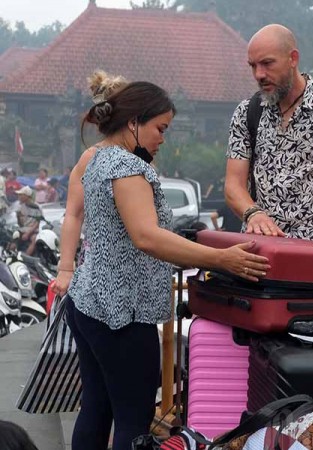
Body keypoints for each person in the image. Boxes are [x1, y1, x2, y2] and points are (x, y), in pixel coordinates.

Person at [65, 81, 270, 450]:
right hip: (120, 312)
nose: (163, 138)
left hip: (88, 301)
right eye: (160, 128)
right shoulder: (127, 167)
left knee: (96, 407)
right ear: (133, 123)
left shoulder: (97, 158)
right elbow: (148, 237)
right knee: (133, 418)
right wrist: (222, 258)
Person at [224, 24, 313, 243]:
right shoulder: (247, 112)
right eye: (253, 66)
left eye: (267, 63)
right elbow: (233, 184)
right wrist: (253, 213)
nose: (259, 74)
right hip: (258, 255)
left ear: (293, 58)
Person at [53, 70, 129, 297]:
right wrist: (66, 268)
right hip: (101, 273)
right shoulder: (91, 157)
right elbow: (74, 214)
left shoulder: (140, 157)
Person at [15, 186, 43, 256]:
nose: (19, 196)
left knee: (34, 239)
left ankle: (25, 258)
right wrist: (18, 216)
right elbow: (20, 224)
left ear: (26, 196)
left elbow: (37, 223)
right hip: (23, 229)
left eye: (21, 195)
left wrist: (28, 233)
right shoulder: (20, 207)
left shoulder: (37, 207)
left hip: (33, 230)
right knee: (13, 238)